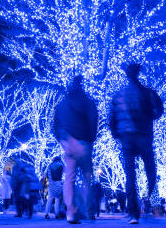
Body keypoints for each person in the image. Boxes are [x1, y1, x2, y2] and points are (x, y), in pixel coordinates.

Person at [109, 63, 163, 225]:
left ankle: (133, 214)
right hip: (144, 136)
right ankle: (152, 202)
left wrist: (116, 133)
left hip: (127, 138)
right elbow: (159, 110)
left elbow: (111, 118)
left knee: (130, 176)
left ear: (127, 75)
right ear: (138, 74)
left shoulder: (119, 95)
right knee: (150, 170)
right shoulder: (147, 92)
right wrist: (150, 117)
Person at [55, 75, 98, 224]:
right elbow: (93, 121)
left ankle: (71, 212)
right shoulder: (87, 101)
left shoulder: (61, 104)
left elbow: (54, 125)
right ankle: (88, 211)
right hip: (84, 142)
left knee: (69, 178)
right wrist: (91, 139)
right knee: (87, 177)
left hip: (67, 143)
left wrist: (63, 141)